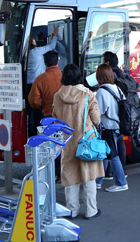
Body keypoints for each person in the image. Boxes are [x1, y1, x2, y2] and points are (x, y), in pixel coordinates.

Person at [52, 64, 103, 219]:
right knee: (89, 176)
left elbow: (55, 118)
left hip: (67, 140)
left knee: (70, 176)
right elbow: (96, 119)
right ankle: (91, 210)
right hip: (86, 140)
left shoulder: (58, 96)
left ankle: (72, 210)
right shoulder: (87, 94)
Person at [28, 50, 62, 180]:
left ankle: (53, 173)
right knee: (64, 143)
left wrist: (43, 106)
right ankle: (63, 172)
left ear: (45, 63)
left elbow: (34, 101)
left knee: (49, 146)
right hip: (65, 117)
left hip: (48, 117)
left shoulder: (39, 79)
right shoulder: (65, 76)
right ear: (57, 61)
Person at [94, 64, 129, 192]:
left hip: (108, 127)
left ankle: (121, 182)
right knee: (105, 153)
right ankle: (97, 181)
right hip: (118, 126)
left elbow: (98, 112)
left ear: (99, 76)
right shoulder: (117, 88)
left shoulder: (101, 91)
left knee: (112, 155)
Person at [25, 25, 60, 136]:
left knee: (31, 112)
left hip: (28, 84)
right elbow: (52, 46)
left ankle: (32, 133)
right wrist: (55, 35)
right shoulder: (37, 51)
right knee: (39, 112)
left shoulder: (26, 54)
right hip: (39, 84)